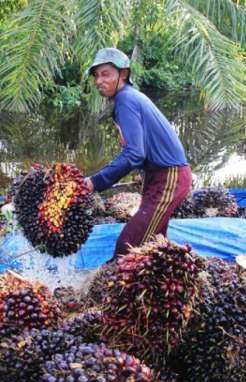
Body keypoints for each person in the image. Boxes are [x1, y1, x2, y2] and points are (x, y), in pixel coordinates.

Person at [84, 47, 192, 257]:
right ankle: (160, 285)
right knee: (152, 245)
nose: (99, 81)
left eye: (106, 74)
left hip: (170, 176)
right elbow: (141, 151)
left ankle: (111, 286)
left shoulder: (126, 99)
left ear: (122, 74)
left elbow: (134, 154)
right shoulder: (127, 98)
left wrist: (95, 182)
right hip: (157, 176)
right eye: (96, 76)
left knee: (128, 247)